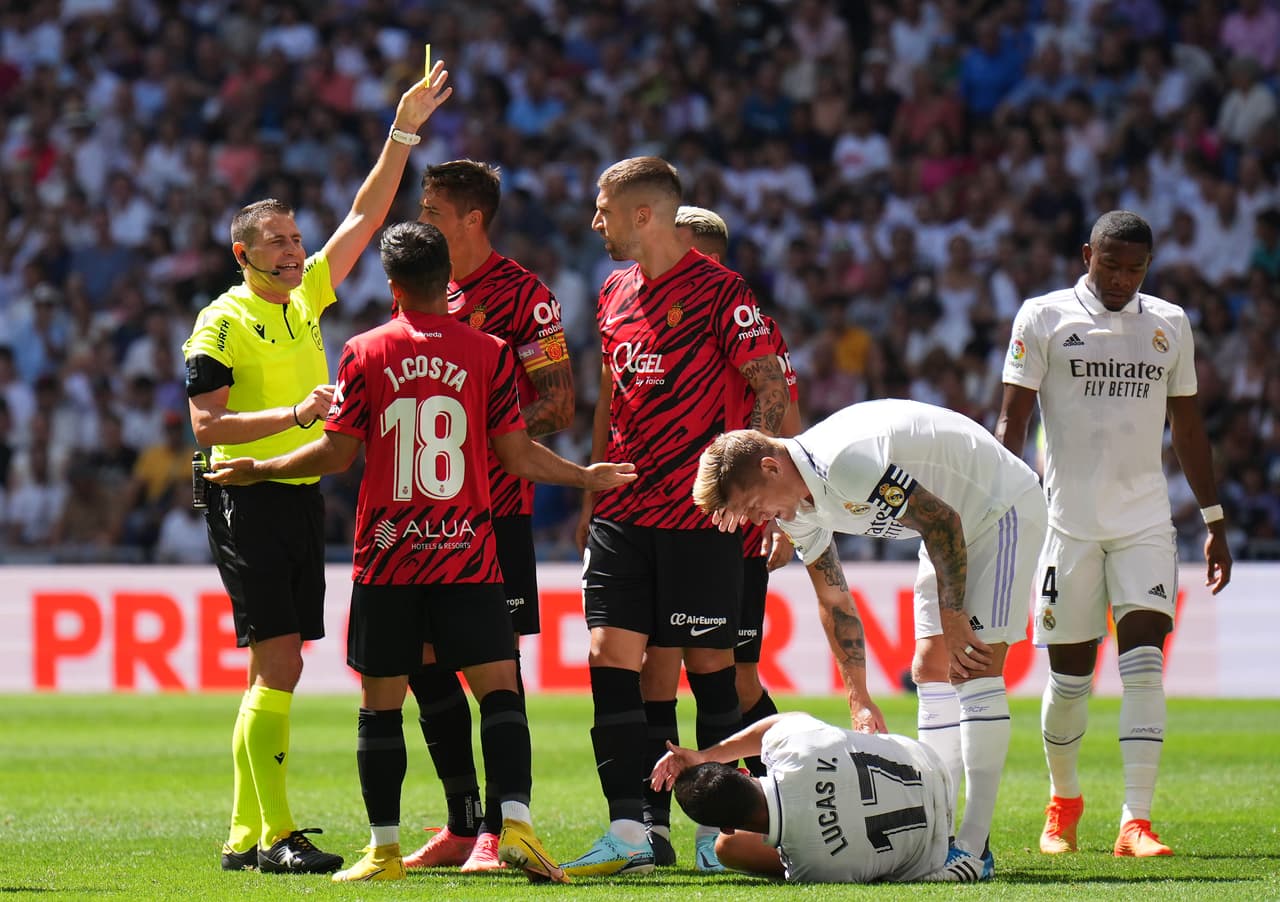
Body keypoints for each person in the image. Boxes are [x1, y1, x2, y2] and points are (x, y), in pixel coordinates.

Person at [206, 221, 637, 883]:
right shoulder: (490, 352)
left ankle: (382, 851)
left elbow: (337, 452)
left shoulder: (363, 351)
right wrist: (586, 476)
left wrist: (262, 469)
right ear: (448, 282)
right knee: (500, 693)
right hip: (468, 549)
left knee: (381, 702)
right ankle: (515, 828)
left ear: (392, 286)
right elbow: (516, 454)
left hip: (390, 557)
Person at [183, 61, 452, 875]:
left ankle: (242, 834)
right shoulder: (220, 322)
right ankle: (275, 837)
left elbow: (369, 212)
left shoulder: (304, 299)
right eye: (279, 242)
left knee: (281, 663)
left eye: (299, 240)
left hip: (297, 494)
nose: (297, 251)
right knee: (282, 663)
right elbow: (207, 424)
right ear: (243, 253)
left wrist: (403, 130)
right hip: (244, 495)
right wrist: (295, 415)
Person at [693, 399, 1049, 880]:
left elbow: (943, 522)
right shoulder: (798, 510)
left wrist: (956, 617)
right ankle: (943, 835)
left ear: (771, 467)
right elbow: (835, 601)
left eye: (753, 506)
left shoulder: (845, 462)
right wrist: (859, 698)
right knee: (930, 668)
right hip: (946, 528)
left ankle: (972, 846)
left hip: (998, 508)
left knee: (973, 666)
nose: (760, 520)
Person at [564, 157, 789, 878]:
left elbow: (770, 386)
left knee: (710, 672)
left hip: (699, 519)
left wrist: (750, 488)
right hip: (624, 509)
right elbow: (610, 395)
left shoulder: (724, 294)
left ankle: (711, 837)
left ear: (643, 214)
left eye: (603, 209)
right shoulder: (612, 292)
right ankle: (631, 828)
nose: (594, 221)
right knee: (609, 658)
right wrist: (593, 491)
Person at [996, 210, 1233, 858]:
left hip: (1145, 523)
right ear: (1086, 255)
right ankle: (1064, 802)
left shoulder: (1169, 325)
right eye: (1112, 265)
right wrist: (1000, 511)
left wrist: (1213, 520)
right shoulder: (1042, 317)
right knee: (1070, 680)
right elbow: (1012, 421)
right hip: (1066, 526)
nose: (1124, 279)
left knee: (1145, 668)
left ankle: (1136, 820)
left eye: (1136, 268)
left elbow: (1187, 427)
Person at [403, 159, 575, 873]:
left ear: (473, 219)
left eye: (434, 210)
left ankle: (503, 832)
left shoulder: (525, 296)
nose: (422, 220)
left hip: (495, 511)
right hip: (423, 512)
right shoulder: (421, 291)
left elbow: (560, 405)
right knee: (423, 664)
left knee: (494, 666)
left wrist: (482, 440)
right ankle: (458, 821)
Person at [638, 205, 802, 870]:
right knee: (660, 669)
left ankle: (756, 804)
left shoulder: (750, 328)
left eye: (693, 254)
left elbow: (787, 422)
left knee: (731, 678)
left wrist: (785, 514)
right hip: (662, 522)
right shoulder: (652, 318)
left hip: (731, 532)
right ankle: (658, 823)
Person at [649, 711, 984, 883]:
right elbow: (781, 722)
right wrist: (709, 754)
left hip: (935, 847)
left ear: (728, 826)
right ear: (743, 772)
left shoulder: (810, 867)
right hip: (927, 763)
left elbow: (733, 845)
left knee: (727, 853)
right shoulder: (796, 748)